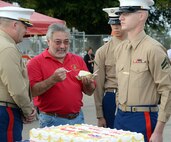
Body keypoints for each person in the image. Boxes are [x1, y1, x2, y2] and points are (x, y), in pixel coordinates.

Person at [114, 0, 171, 142]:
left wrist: (158, 131)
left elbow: (167, 90)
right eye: (121, 13)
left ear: (141, 16)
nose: (121, 17)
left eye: (126, 13)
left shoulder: (153, 49)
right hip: (120, 116)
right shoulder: (120, 49)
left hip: (142, 118)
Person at [27, 23, 96, 128]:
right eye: (58, 42)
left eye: (66, 42)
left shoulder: (77, 60)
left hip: (78, 118)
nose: (62, 46)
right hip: (51, 120)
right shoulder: (35, 62)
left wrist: (88, 84)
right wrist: (52, 80)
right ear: (48, 41)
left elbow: (90, 92)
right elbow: (32, 92)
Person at [0, 6, 36, 141]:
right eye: (25, 26)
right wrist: (28, 111)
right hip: (5, 112)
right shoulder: (7, 48)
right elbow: (17, 89)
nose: (26, 31)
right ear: (15, 25)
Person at [93, 7, 127, 128]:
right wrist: (99, 114)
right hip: (111, 97)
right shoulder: (102, 52)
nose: (116, 27)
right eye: (113, 24)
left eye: (118, 23)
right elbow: (98, 84)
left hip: (133, 97)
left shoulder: (137, 47)